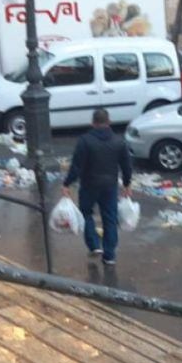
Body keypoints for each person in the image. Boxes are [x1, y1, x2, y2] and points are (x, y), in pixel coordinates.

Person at [62, 108, 132, 266]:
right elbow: (127, 166)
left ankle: (94, 245)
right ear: (109, 122)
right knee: (110, 219)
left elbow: (76, 166)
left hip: (89, 184)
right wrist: (127, 184)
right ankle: (109, 255)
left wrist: (67, 183)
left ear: (93, 123)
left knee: (86, 213)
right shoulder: (118, 141)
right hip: (110, 186)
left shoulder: (84, 141)